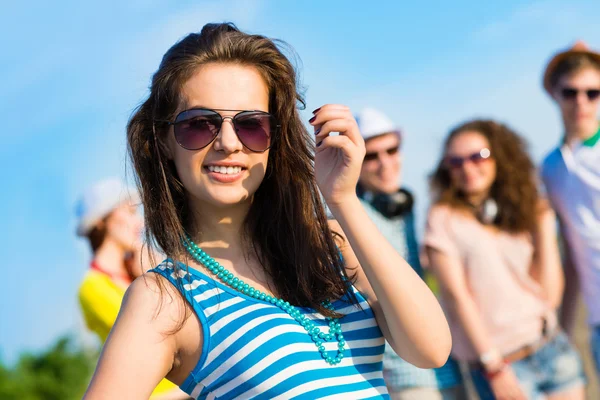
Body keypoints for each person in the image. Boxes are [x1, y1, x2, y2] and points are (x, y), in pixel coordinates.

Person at [83, 22, 451, 399]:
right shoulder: (164, 298)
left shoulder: (331, 243)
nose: (228, 143)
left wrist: (344, 201)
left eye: (251, 125)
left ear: (276, 138)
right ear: (163, 140)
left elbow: (430, 349)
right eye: (199, 125)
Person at [424, 120, 585, 399]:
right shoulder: (442, 218)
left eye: (478, 156)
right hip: (501, 365)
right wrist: (493, 366)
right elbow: (455, 296)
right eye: (456, 162)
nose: (468, 167)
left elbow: (550, 295)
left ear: (498, 156)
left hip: (550, 346)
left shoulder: (518, 209)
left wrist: (544, 226)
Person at [355, 108, 466, 400]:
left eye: (391, 150)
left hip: (448, 365)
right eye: (371, 156)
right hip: (405, 376)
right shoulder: (351, 221)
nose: (385, 163)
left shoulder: (406, 211)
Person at [76, 178, 189, 399]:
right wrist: (154, 278)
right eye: (128, 212)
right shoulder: (92, 287)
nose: (139, 223)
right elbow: (157, 332)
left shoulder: (139, 270)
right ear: (101, 222)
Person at [540, 40, 600, 377]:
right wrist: (562, 323)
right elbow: (571, 251)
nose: (582, 101)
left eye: (593, 92)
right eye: (571, 92)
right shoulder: (550, 168)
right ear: (555, 94)